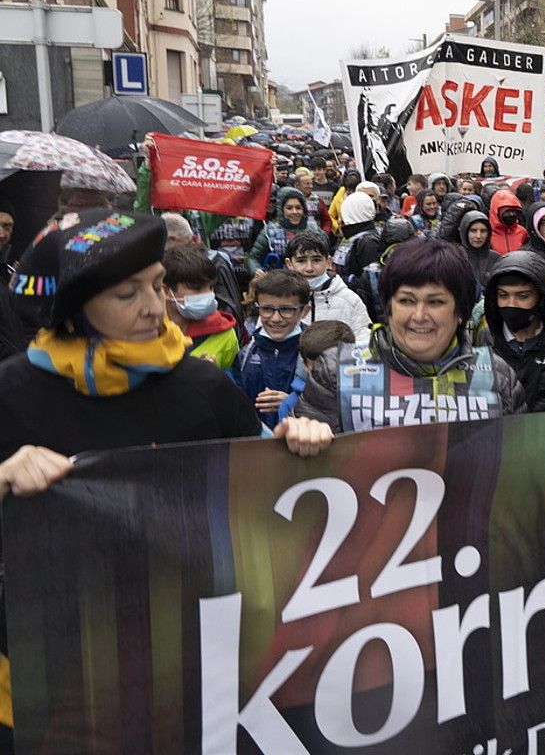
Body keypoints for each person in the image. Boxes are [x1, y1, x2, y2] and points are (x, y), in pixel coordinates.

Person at [0, 211, 332, 741]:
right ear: (73, 310)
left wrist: (296, 451)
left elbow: (261, 505)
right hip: (54, 681)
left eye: (157, 285)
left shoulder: (202, 386)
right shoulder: (12, 392)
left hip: (194, 665)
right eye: (127, 294)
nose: (157, 307)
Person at [296, 238, 524, 431]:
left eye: (435, 302)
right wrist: (303, 437)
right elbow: (304, 470)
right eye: (406, 300)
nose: (419, 315)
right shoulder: (337, 371)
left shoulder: (498, 376)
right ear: (388, 308)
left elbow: (520, 463)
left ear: (460, 312)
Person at [478, 251, 545, 412]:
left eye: (523, 296)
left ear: (541, 298)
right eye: (503, 295)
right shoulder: (484, 339)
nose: (511, 304)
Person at [236, 269, 312, 430]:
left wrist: (293, 403)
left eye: (286, 310)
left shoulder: (315, 352)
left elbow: (330, 405)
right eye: (267, 309)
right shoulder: (246, 353)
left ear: (304, 310)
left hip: (302, 443)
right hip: (259, 446)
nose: (276, 318)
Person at [161, 244, 241, 369]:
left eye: (210, 287)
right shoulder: (146, 332)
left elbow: (235, 381)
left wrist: (213, 375)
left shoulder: (225, 334)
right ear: (166, 291)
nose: (208, 295)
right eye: (197, 288)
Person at [284, 235, 372, 339]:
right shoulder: (279, 300)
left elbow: (365, 344)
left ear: (328, 262)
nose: (309, 268)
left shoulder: (350, 301)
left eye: (316, 260)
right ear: (289, 264)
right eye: (301, 261)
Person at [278, 319, 356, 423]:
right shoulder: (292, 404)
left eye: (334, 364)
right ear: (305, 364)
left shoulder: (365, 396)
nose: (326, 371)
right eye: (317, 366)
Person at [248, 188, 326, 275]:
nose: (294, 212)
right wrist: (256, 271)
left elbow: (325, 256)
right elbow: (254, 258)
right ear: (282, 210)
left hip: (311, 279)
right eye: (289, 208)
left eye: (298, 208)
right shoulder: (270, 232)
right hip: (280, 283)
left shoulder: (314, 229)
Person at [459, 209, 501, 294]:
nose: (478, 236)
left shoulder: (496, 258)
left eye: (483, 231)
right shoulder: (457, 258)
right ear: (465, 232)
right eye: (473, 231)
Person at [489, 188, 529, 254]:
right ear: (497, 211)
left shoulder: (523, 232)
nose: (511, 214)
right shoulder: (488, 234)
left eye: (514, 211)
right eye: (507, 211)